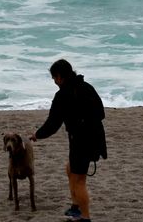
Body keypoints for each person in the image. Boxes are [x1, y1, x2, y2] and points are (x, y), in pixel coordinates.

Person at [30, 59, 106, 222]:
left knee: (79, 180)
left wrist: (38, 135)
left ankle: (84, 216)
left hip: (81, 140)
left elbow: (53, 123)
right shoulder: (87, 88)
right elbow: (101, 113)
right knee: (70, 169)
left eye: (54, 79)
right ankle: (75, 207)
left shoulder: (63, 95)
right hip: (95, 137)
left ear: (59, 76)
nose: (55, 83)